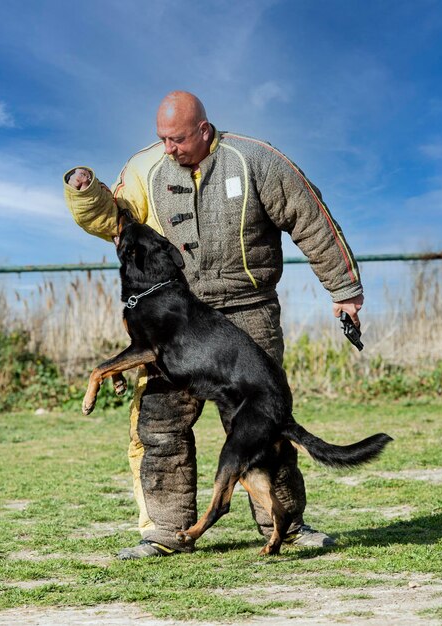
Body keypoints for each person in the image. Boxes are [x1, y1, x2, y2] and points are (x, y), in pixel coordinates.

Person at [64, 91, 364, 560]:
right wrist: (83, 191)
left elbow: (310, 219)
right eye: (162, 138)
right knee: (160, 425)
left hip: (250, 310)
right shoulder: (149, 168)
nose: (169, 148)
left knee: (264, 427)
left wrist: (343, 289)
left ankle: (286, 526)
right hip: (181, 316)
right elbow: (113, 219)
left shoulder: (255, 160)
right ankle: (165, 531)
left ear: (204, 130)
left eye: (178, 139)